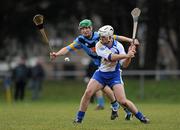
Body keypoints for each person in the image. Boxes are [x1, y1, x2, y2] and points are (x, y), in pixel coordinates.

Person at [50, 19, 138, 120]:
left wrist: (131, 40)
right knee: (105, 89)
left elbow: (116, 37)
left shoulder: (100, 35)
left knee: (108, 90)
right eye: (83, 28)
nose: (85, 30)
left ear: (91, 28)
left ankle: (118, 107)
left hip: (110, 66)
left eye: (87, 28)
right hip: (100, 68)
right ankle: (119, 107)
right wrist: (56, 54)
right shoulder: (80, 40)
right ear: (80, 30)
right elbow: (67, 48)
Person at [73, 25, 149, 124]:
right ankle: (79, 119)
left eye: (103, 37)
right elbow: (110, 57)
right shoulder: (99, 45)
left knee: (122, 101)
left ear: (110, 37)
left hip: (115, 75)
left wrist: (129, 56)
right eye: (100, 36)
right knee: (88, 93)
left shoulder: (119, 46)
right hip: (101, 74)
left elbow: (124, 65)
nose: (101, 38)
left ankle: (141, 117)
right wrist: (126, 54)